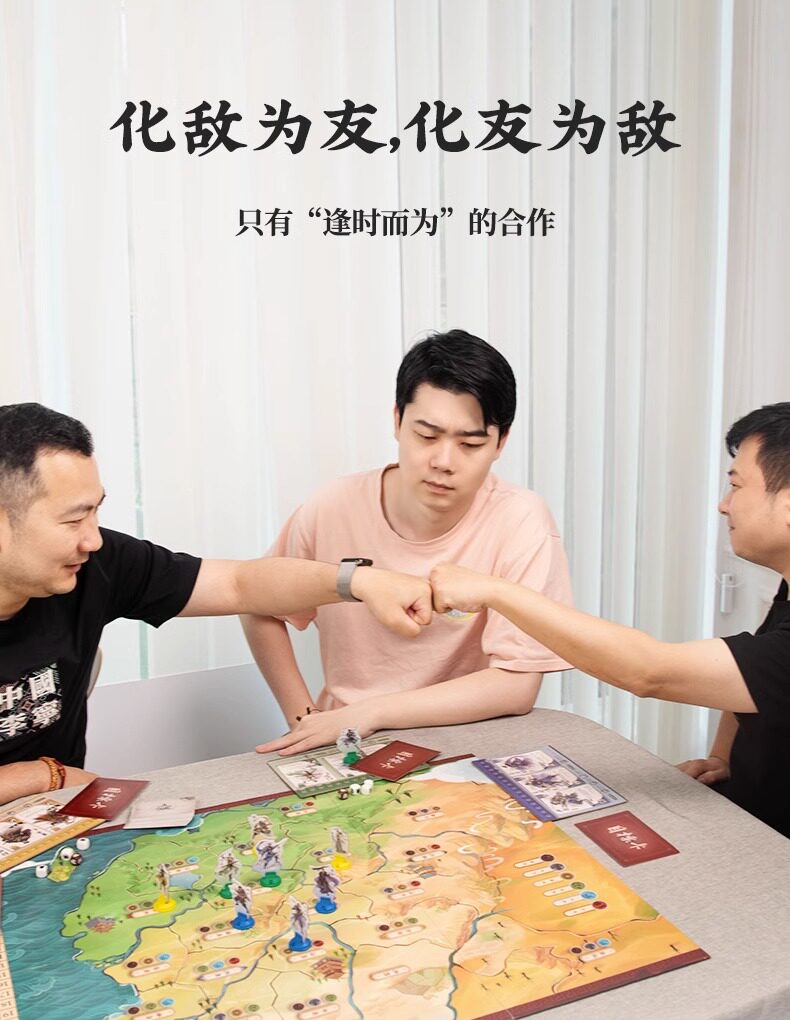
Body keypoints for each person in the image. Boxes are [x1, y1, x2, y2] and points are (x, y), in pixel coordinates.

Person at [0, 403, 433, 804]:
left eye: (96, 512)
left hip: (58, 818)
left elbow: (238, 584)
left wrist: (358, 581)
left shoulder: (97, 564)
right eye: (74, 519)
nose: (92, 539)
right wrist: (42, 776)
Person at [430, 402, 790, 839]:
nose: (723, 505)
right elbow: (751, 672)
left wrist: (496, 591)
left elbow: (649, 670)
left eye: (736, 486)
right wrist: (723, 758)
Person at [248, 330, 573, 757]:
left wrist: (370, 713)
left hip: (471, 743)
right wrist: (303, 719)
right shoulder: (333, 506)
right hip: (349, 748)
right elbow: (258, 603)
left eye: (470, 444)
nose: (443, 462)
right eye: (426, 436)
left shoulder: (520, 520)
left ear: (500, 442)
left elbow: (517, 684)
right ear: (397, 421)